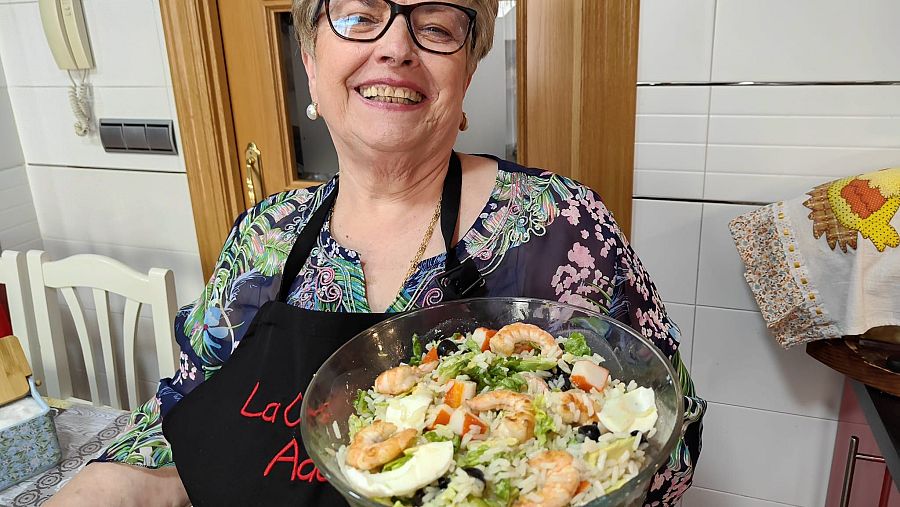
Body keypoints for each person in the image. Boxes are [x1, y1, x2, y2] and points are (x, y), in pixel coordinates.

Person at [50, 0, 705, 505]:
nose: (395, 46)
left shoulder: (559, 226)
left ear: (467, 71)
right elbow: (186, 404)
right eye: (360, 16)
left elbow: (674, 434)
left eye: (436, 26)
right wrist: (113, 482)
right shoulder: (265, 234)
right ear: (311, 58)